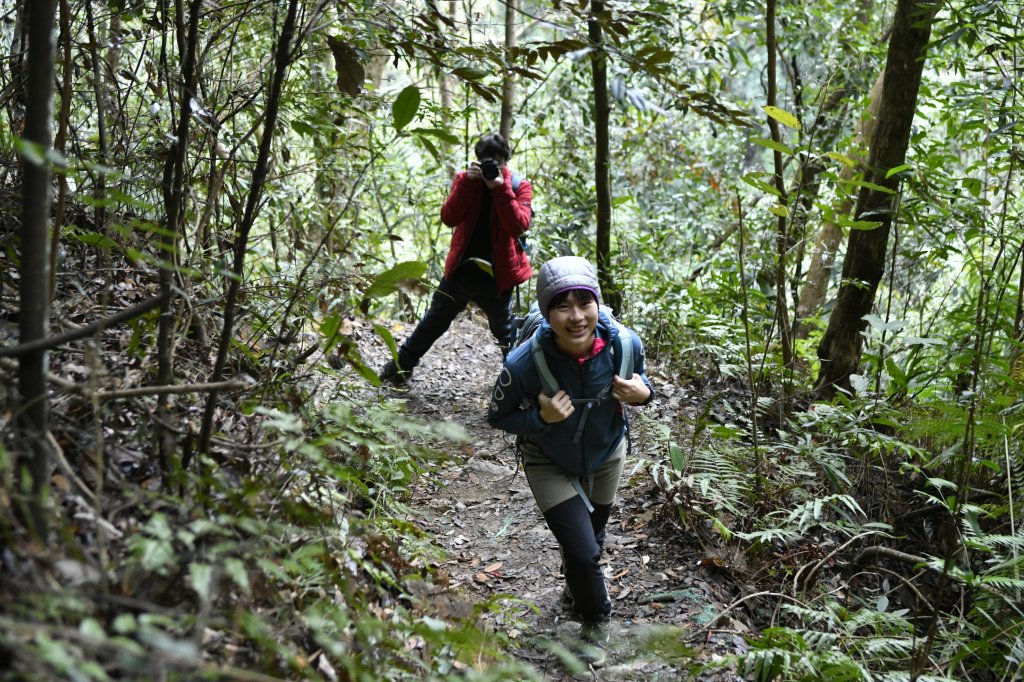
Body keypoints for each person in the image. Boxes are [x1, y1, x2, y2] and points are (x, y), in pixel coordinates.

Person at [486, 256, 654, 666]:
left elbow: (643, 383)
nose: (577, 316)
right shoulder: (524, 362)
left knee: (589, 542)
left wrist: (643, 395)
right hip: (547, 460)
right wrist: (539, 418)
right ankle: (595, 621)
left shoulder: (624, 345)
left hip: (607, 455)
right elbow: (496, 415)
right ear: (546, 312)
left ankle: (578, 587)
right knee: (582, 552)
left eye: (585, 302)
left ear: (598, 303)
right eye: (563, 305)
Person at [379, 132, 533, 384]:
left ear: (506, 160)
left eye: (497, 161)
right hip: (462, 271)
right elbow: (449, 217)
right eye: (487, 160)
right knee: (433, 322)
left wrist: (500, 188)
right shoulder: (465, 180)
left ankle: (518, 384)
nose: (492, 166)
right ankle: (400, 368)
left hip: (498, 276)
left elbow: (519, 225)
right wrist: (468, 184)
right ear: (478, 160)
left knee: (504, 332)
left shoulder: (518, 185)